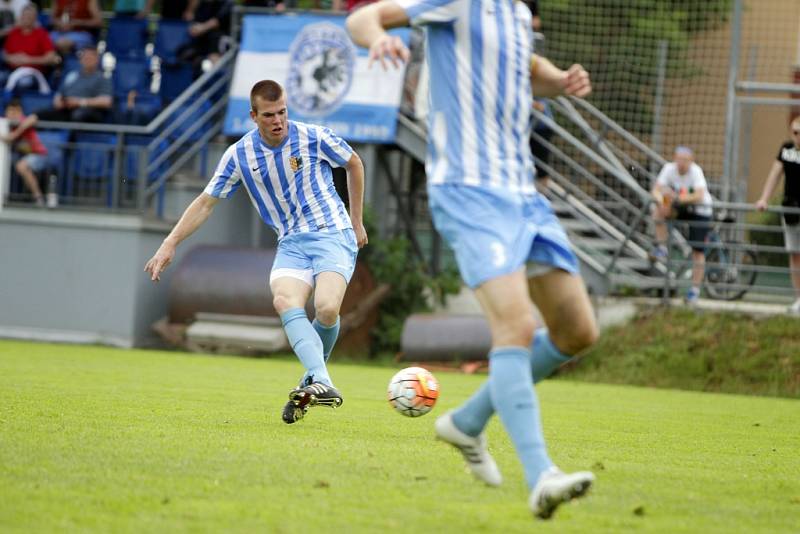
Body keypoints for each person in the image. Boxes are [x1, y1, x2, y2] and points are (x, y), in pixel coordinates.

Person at [347, 1, 599, 520]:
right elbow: (361, 19)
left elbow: (528, 70)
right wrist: (379, 40)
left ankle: (465, 423)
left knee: (577, 332)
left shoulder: (515, 14)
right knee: (517, 326)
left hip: (523, 194)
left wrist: (561, 78)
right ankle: (541, 477)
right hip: (468, 191)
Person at [144, 79, 368, 424]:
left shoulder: (313, 136)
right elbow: (206, 203)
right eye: (268, 115)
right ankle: (320, 380)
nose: (277, 120)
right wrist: (169, 242)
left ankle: (312, 379)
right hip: (291, 243)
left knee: (326, 308)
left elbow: (354, 163)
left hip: (332, 233)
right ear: (253, 116)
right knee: (284, 301)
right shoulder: (239, 155)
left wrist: (356, 222)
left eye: (281, 112)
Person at [650, 146, 713, 305]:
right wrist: (663, 200)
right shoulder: (668, 169)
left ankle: (694, 291)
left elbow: (698, 195)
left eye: (685, 160)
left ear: (691, 161)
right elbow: (656, 191)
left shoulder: (696, 171)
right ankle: (662, 247)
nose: (681, 163)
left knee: (697, 252)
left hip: (700, 211)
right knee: (659, 209)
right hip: (681, 206)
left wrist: (676, 198)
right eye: (678, 159)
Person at [756, 117, 800, 315]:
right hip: (790, 210)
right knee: (795, 255)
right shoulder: (786, 150)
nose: (798, 137)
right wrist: (764, 198)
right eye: (795, 132)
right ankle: (799, 298)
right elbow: (774, 174)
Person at [27, 44, 111, 123]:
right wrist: (59, 102)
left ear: (97, 59)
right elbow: (59, 94)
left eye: (90, 57)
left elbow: (106, 102)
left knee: (78, 115)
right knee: (38, 114)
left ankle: (72, 138)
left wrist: (80, 102)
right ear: (80, 60)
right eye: (85, 57)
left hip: (88, 112)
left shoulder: (102, 78)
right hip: (66, 110)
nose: (87, 60)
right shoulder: (71, 75)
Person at [2, 99, 49, 207]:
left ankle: (39, 198)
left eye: (16, 111)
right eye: (10, 111)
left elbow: (33, 118)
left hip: (39, 154)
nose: (13, 115)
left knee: (21, 166)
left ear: (21, 112)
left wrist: (15, 133)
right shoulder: (5, 123)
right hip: (23, 155)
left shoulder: (25, 120)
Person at [3, 4, 60, 80]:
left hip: (33, 72)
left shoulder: (42, 34)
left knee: (23, 83)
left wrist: (28, 59)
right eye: (24, 16)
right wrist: (11, 58)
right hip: (12, 70)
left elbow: (51, 58)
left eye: (29, 16)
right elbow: (5, 54)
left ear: (35, 19)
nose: (26, 18)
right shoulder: (14, 32)